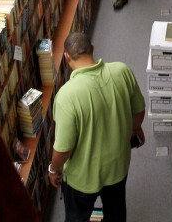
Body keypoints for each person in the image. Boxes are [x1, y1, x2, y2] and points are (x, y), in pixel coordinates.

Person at [48, 32, 146, 222]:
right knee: (116, 212)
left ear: (67, 57)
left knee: (77, 216)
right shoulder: (122, 71)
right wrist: (132, 129)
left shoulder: (66, 96)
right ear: (92, 47)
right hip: (117, 167)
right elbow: (139, 112)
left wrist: (54, 169)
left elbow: (63, 149)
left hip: (81, 178)